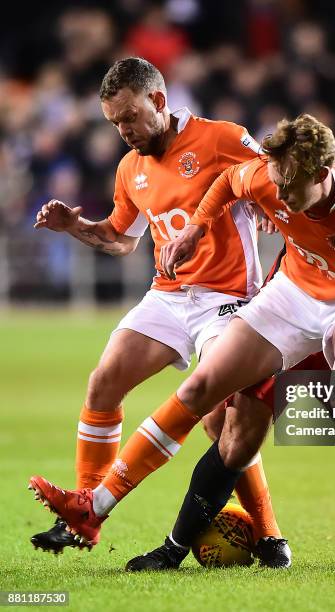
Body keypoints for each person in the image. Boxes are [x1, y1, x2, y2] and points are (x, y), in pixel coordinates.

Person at [29, 112, 335, 573]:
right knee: (206, 391)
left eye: (292, 188)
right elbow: (228, 182)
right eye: (277, 183)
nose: (280, 198)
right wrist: (196, 229)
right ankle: (95, 508)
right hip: (293, 289)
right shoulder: (274, 176)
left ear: (324, 173)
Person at [29, 56, 291, 568]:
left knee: (226, 421)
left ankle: (269, 534)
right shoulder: (131, 167)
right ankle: (85, 512)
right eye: (114, 123)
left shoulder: (222, 138)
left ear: (159, 101)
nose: (124, 131)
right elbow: (120, 240)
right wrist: (74, 228)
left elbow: (273, 177)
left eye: (130, 117)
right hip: (169, 296)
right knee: (104, 381)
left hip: (229, 298)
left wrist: (263, 198)